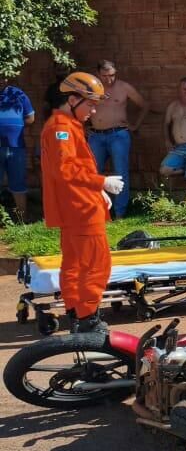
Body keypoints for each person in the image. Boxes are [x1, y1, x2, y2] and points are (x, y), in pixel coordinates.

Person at [40, 72, 123, 333]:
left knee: (74, 264)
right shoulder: (61, 129)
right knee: (96, 264)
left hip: (79, 205)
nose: (94, 110)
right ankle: (88, 319)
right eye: (90, 104)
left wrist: (98, 191)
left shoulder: (66, 126)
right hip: (80, 210)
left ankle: (77, 314)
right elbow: (64, 171)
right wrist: (102, 183)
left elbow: (74, 169)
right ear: (73, 99)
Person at [86, 61, 148, 219]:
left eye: (112, 75)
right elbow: (79, 106)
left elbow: (144, 105)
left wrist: (135, 125)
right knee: (92, 171)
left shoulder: (124, 87)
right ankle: (96, 210)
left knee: (121, 172)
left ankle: (120, 213)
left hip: (118, 134)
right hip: (96, 135)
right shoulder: (92, 88)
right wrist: (83, 125)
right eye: (105, 76)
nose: (109, 79)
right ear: (98, 74)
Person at [0, 82, 36, 220]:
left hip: (16, 146)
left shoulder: (18, 94)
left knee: (18, 182)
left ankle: (22, 219)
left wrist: (14, 128)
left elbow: (30, 118)